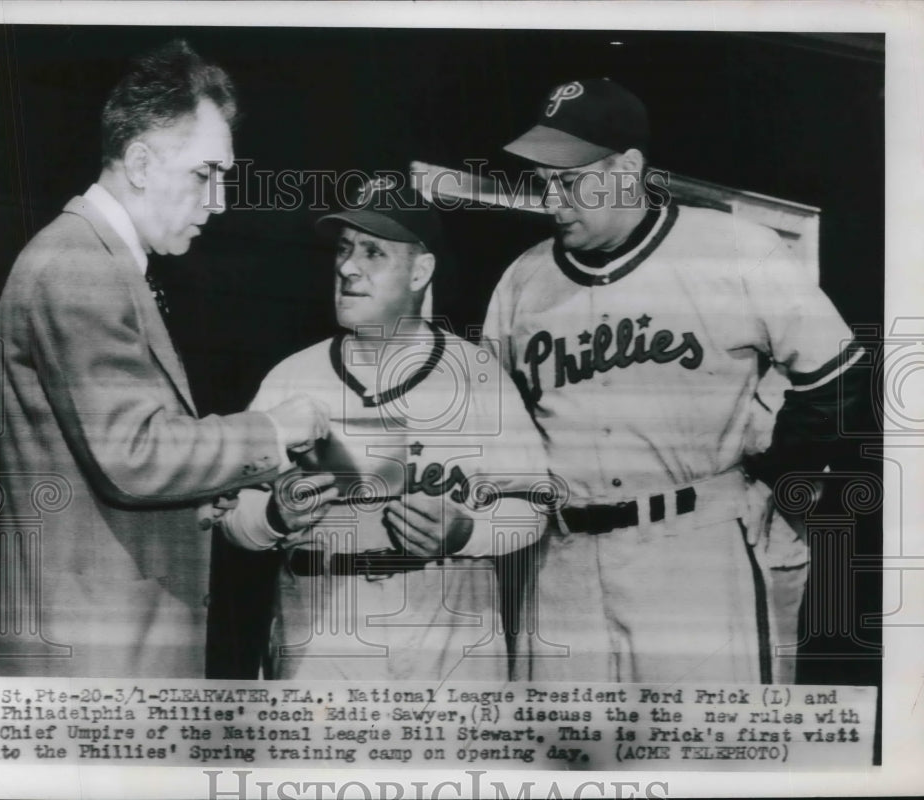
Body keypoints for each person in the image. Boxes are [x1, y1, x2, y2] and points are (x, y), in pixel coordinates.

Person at [483, 78, 865, 683]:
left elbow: (838, 380)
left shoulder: (733, 249)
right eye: (544, 179)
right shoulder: (521, 281)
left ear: (629, 167)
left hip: (693, 547)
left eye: (571, 178)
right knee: (566, 759)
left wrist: (776, 486)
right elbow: (496, 430)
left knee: (710, 753)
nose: (553, 196)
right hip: (562, 559)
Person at [0, 40, 328, 679]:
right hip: (90, 660)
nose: (218, 202)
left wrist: (199, 497)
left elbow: (103, 467)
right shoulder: (79, 264)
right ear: (139, 162)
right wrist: (273, 431)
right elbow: (133, 457)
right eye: (204, 175)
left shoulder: (101, 262)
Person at [215, 182, 549, 681]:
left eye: (373, 251)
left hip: (449, 617)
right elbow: (230, 520)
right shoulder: (291, 378)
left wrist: (467, 532)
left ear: (420, 271)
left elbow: (535, 508)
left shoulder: (479, 375)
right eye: (345, 248)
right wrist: (274, 516)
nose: (348, 267)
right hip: (323, 621)